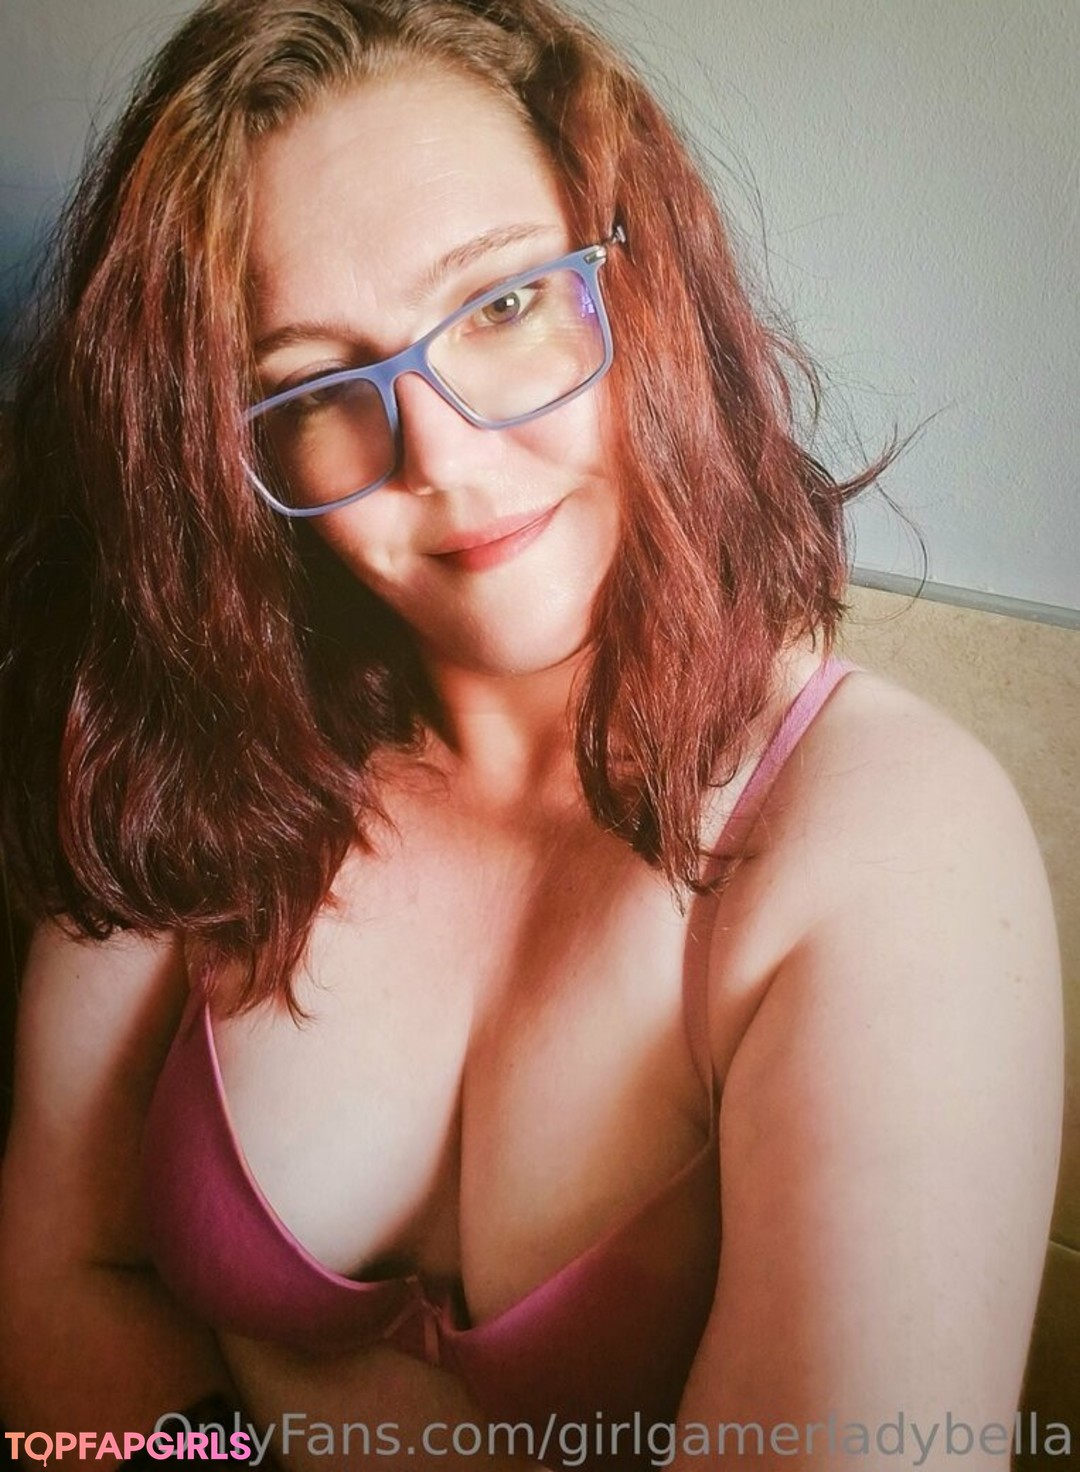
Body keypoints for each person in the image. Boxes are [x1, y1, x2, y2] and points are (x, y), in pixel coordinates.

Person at [0, 0, 1062, 1468]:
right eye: (312, 384)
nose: (443, 456)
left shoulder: (889, 837)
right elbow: (60, 1281)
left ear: (641, 283)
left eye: (501, 304)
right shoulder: (196, 739)